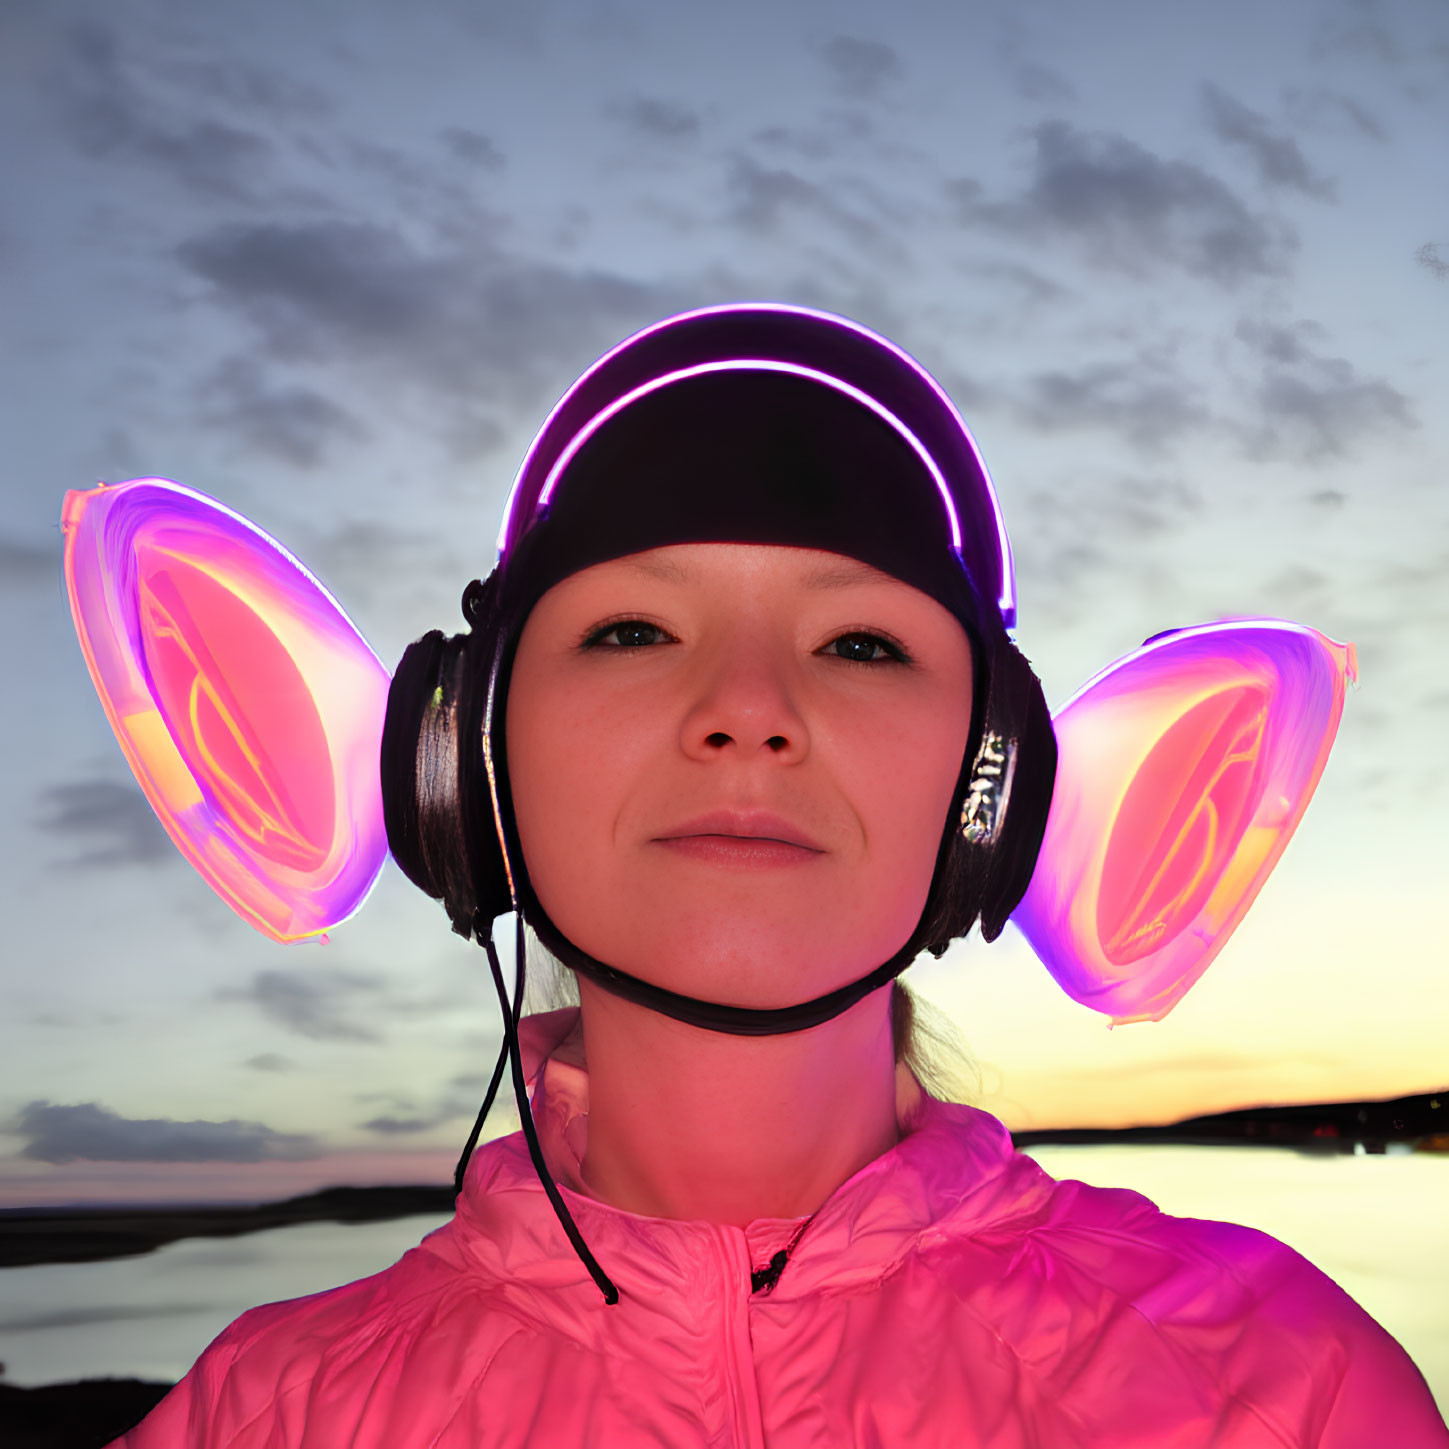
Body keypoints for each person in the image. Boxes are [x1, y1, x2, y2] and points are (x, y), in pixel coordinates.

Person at [108, 305, 1446, 1446]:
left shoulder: (1277, 1383)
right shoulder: (269, 1413)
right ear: (461, 768)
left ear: (1005, 793)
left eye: (859, 644)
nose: (747, 709)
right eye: (631, 629)